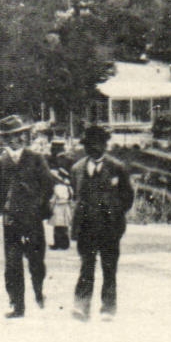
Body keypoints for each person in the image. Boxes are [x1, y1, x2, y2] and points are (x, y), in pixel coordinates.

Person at [0, 115, 55, 317]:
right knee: (12, 265)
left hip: (32, 220)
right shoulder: (2, 162)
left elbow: (48, 186)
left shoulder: (35, 159)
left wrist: (38, 207)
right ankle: (17, 305)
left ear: (23, 137)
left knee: (36, 262)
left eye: (17, 135)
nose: (13, 140)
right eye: (8, 136)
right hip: (11, 222)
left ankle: (38, 290)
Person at [70, 124, 135, 321]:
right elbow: (77, 196)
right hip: (86, 227)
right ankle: (82, 306)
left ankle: (108, 308)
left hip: (109, 227)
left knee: (109, 268)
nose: (93, 148)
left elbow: (128, 197)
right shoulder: (78, 169)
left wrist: (114, 214)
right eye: (89, 145)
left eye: (97, 144)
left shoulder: (117, 168)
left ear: (105, 145)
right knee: (86, 267)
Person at [49, 172, 75, 251]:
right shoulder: (68, 188)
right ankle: (64, 244)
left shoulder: (58, 187)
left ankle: (58, 243)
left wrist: (51, 204)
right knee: (63, 226)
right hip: (65, 207)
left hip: (59, 207)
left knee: (58, 226)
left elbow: (54, 197)